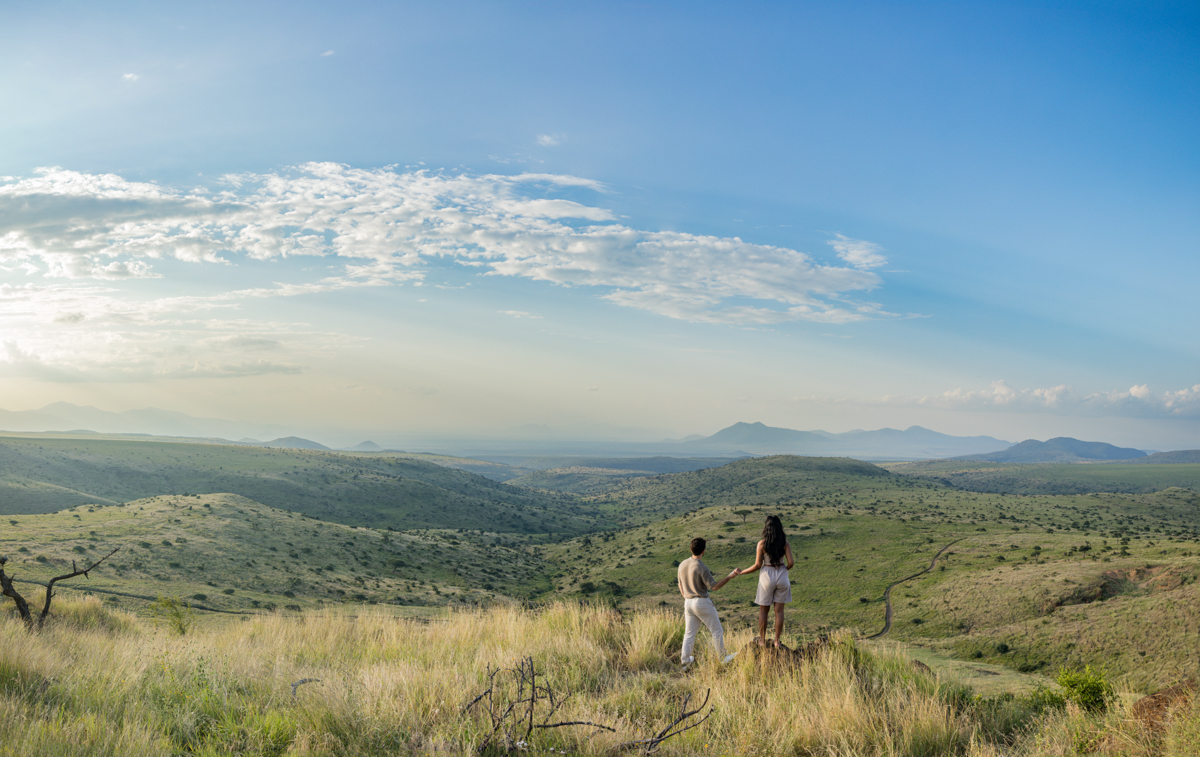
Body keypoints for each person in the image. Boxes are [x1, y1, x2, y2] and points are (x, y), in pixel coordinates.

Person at [677, 536, 739, 669]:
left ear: (691, 549)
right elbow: (714, 587)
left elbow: (680, 584)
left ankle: (685, 662)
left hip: (688, 602)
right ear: (703, 551)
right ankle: (722, 658)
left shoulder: (682, 564)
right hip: (701, 602)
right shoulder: (702, 567)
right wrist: (730, 576)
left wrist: (686, 597)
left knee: (689, 633)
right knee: (717, 630)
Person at [733, 515, 794, 649]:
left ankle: (762, 640)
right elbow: (791, 562)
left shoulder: (762, 544)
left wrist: (742, 572)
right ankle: (777, 641)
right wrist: (785, 569)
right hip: (782, 575)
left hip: (767, 575)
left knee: (763, 611)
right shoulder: (785, 542)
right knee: (779, 611)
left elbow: (757, 565)